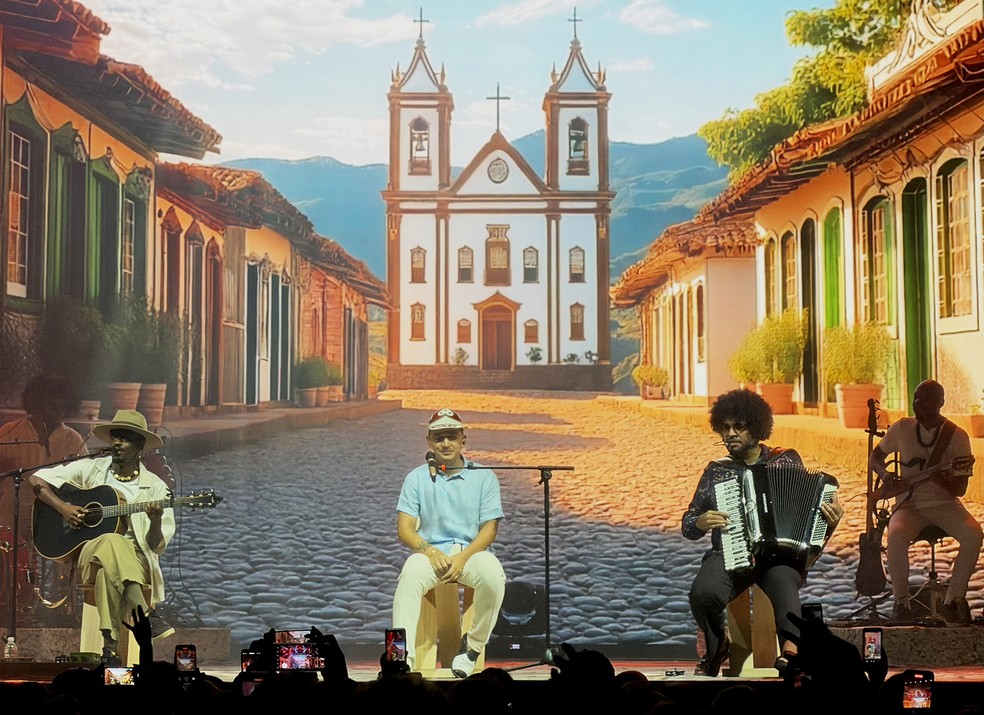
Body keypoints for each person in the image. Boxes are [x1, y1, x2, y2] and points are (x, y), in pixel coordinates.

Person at [682, 388, 843, 676]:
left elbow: (808, 515)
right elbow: (688, 523)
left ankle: (791, 655)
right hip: (731, 552)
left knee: (785, 586)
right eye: (725, 427)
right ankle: (717, 646)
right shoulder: (716, 471)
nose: (730, 433)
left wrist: (829, 521)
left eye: (739, 426)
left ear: (756, 429)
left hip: (778, 556)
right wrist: (700, 522)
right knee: (702, 594)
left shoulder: (786, 460)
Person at [28, 409, 176, 661]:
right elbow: (36, 479)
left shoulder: (156, 488)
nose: (117, 443)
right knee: (111, 540)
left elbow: (154, 546)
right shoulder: (92, 469)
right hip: (89, 555)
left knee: (107, 573)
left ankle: (109, 648)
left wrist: (155, 520)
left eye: (124, 438)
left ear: (140, 446)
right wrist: (63, 508)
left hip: (136, 561)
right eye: (115, 437)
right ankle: (146, 614)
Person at [392, 408, 506, 678]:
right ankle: (400, 656)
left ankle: (471, 648)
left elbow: (490, 528)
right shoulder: (416, 478)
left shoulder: (484, 476)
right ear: (429, 441)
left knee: (494, 577)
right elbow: (405, 529)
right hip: (432, 555)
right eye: (439, 437)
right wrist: (430, 551)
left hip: (472, 553)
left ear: (463, 439)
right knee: (409, 577)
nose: (445, 443)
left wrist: (463, 558)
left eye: (452, 437)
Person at [869, 379, 981, 624]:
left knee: (974, 534)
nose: (919, 405)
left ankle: (953, 600)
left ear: (940, 403)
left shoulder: (957, 436)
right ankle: (902, 603)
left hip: (945, 505)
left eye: (926, 401)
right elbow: (876, 456)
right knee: (896, 535)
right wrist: (886, 475)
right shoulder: (902, 428)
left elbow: (960, 489)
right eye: (916, 400)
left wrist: (942, 480)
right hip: (908, 506)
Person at [0, 372, 86, 628]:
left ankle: (61, 615)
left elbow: (85, 484)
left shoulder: (73, 439)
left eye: (62, 406)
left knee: (69, 555)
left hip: (54, 519)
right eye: (52, 405)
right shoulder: (8, 434)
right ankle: (14, 613)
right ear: (36, 403)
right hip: (12, 518)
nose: (58, 412)